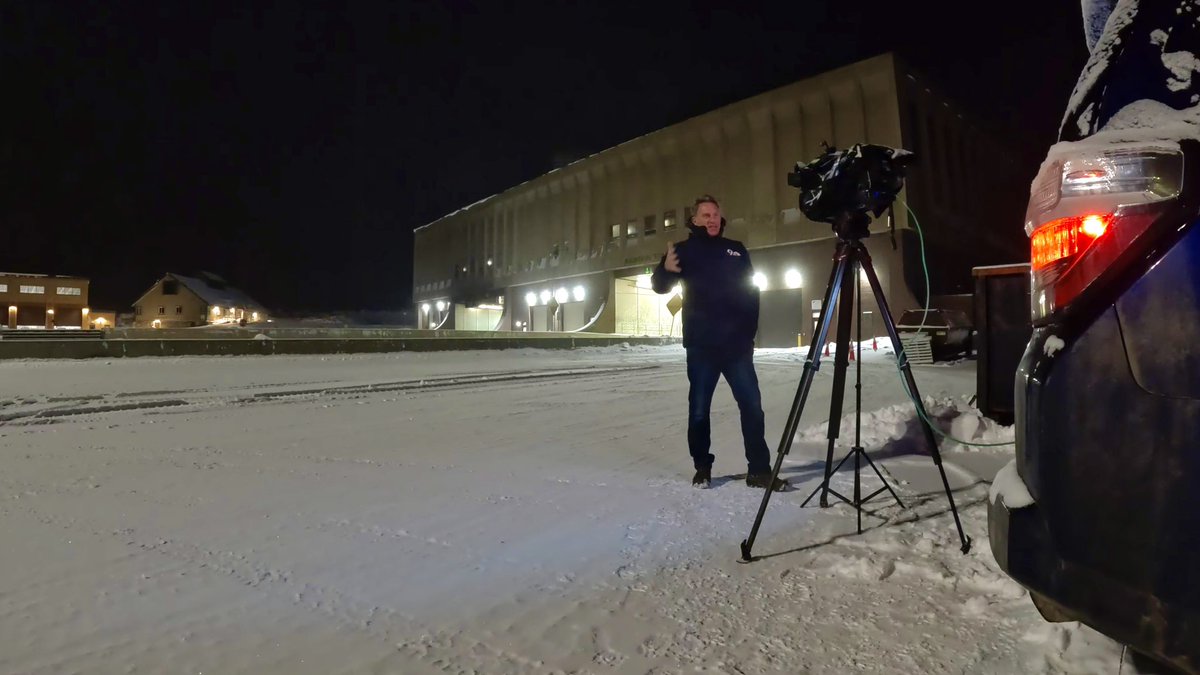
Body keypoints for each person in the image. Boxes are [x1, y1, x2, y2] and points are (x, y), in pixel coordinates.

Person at [651, 195, 788, 491]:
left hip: (736, 347)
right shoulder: (684, 251)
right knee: (699, 409)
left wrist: (748, 334)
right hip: (702, 346)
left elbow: (752, 293)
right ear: (695, 220)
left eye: (715, 214)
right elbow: (660, 287)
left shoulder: (736, 250)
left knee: (752, 406)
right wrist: (665, 271)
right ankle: (702, 467)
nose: (712, 219)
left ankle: (760, 471)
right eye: (705, 214)